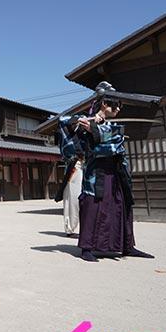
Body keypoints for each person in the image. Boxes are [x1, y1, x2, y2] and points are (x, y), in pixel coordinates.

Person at [59, 81, 154, 262]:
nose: (118, 109)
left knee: (121, 204)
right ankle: (87, 247)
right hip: (96, 173)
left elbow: (117, 138)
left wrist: (97, 128)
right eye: (116, 105)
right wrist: (78, 122)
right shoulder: (88, 119)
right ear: (104, 103)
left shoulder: (112, 125)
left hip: (116, 170)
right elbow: (63, 123)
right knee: (92, 206)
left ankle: (127, 246)